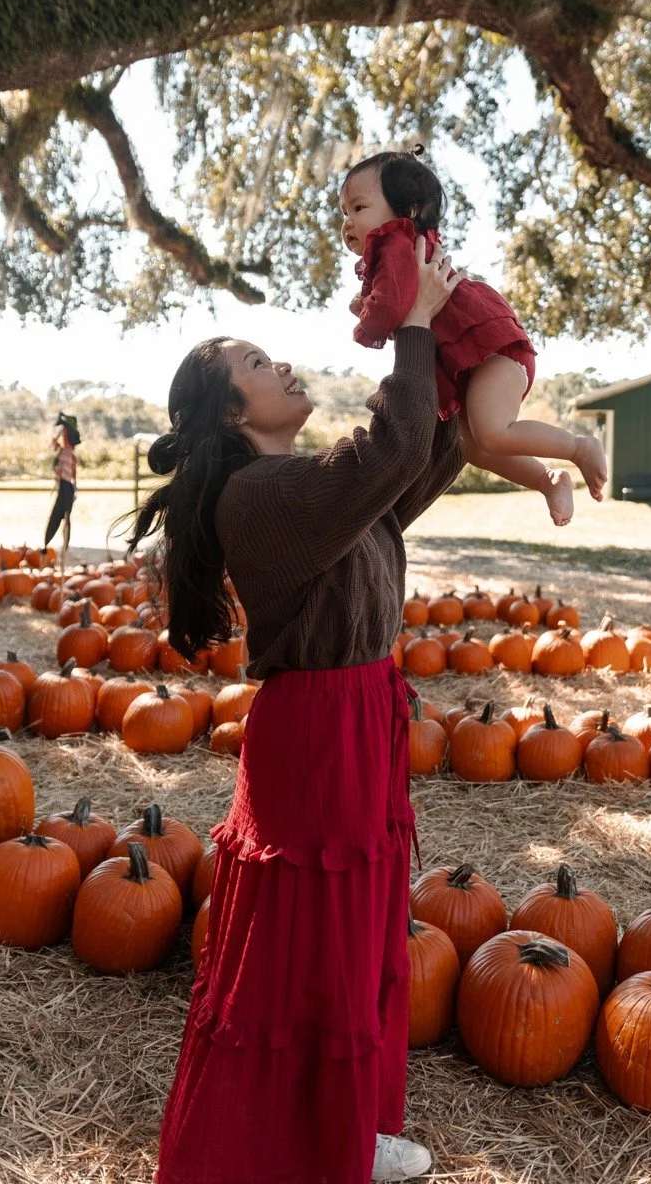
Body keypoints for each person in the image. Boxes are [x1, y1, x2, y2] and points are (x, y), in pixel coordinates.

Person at [130, 239, 464, 1184]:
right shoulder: (258, 496)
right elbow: (390, 449)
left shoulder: (303, 488)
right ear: (233, 411)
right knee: (310, 951)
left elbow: (408, 474)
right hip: (317, 734)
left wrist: (455, 349)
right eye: (253, 363)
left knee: (356, 935)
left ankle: (348, 1130)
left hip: (356, 716)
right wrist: (408, 327)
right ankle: (299, 1147)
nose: (278, 364)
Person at [341, 146, 608, 526]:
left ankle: (579, 447)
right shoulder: (398, 249)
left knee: (494, 432)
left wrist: (366, 320)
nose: (348, 221)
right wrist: (370, 304)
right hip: (474, 359)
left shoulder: (396, 240)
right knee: (474, 445)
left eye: (359, 208)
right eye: (344, 212)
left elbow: (389, 308)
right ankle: (548, 481)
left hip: (489, 349)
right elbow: (398, 302)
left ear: (409, 211)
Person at [43, 411, 81, 561]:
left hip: (67, 488)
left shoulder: (70, 454)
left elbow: (73, 473)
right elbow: (53, 442)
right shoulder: (62, 452)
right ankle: (48, 543)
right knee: (56, 516)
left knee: (65, 517)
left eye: (65, 434)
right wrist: (61, 429)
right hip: (63, 487)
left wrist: (75, 487)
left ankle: (65, 547)